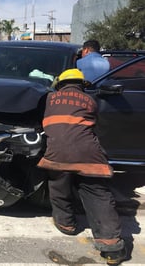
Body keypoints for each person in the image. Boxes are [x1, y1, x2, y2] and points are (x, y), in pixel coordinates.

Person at [37, 68, 126, 266]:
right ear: (82, 85)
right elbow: (97, 127)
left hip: (57, 153)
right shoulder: (90, 101)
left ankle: (66, 224)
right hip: (88, 154)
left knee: (58, 186)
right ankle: (111, 247)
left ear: (59, 84)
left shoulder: (50, 99)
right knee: (96, 193)